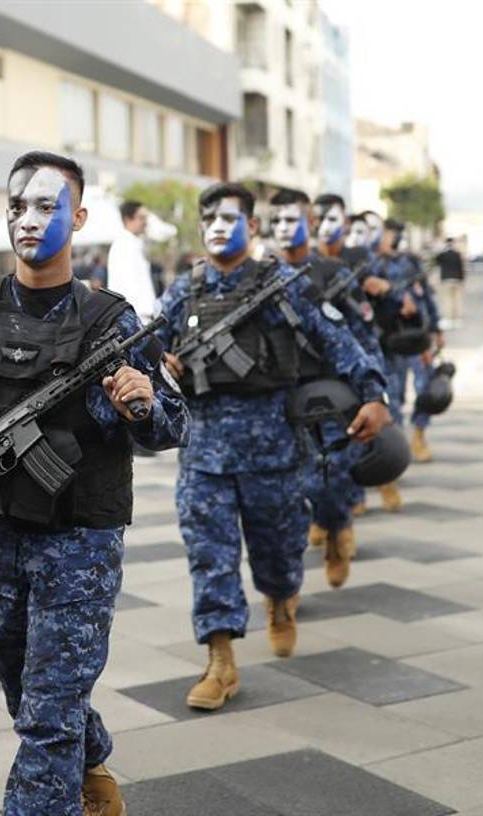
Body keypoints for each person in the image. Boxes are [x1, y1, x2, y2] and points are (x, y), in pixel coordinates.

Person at [0, 151, 189, 816]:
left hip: (78, 546)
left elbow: (173, 425)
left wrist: (144, 403)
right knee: (31, 695)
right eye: (17, 206)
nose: (29, 220)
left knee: (46, 718)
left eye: (47, 206)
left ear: (79, 218)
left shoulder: (113, 322)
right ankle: (90, 759)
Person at [155, 183, 389, 712]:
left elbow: (339, 342)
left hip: (273, 452)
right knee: (209, 557)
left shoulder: (284, 285)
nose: (218, 226)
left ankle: (281, 601)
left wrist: (375, 395)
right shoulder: (183, 291)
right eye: (208, 217)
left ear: (252, 227)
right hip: (204, 454)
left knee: (280, 553)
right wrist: (159, 367)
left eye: (229, 217)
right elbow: (149, 343)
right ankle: (220, 659)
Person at [273, 189, 383, 587]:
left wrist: (374, 393)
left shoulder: (332, 272)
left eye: (294, 219)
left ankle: (337, 528)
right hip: (279, 395)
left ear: (311, 223)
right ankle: (283, 590)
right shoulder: (260, 274)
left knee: (333, 476)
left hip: (330, 390)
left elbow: (361, 334)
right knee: (286, 486)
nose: (284, 228)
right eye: (278, 220)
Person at [369, 216, 443, 467]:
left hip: (416, 336)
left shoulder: (411, 262)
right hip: (390, 340)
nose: (394, 237)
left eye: (398, 232)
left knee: (426, 389)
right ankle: (396, 447)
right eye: (391, 232)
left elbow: (427, 298)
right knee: (394, 394)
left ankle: (419, 436)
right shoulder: (371, 265)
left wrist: (435, 328)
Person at [106, 199, 158, 320]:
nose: (145, 222)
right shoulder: (123, 245)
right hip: (135, 317)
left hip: (141, 316)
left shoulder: (133, 243)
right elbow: (127, 285)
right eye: (141, 217)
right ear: (128, 219)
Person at [434, 237, 466, 327]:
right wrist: (462, 279)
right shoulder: (457, 254)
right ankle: (458, 319)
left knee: (447, 300)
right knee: (457, 300)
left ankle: (448, 319)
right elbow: (461, 267)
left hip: (446, 279)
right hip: (457, 279)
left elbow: (436, 261)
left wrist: (440, 249)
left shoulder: (443, 254)